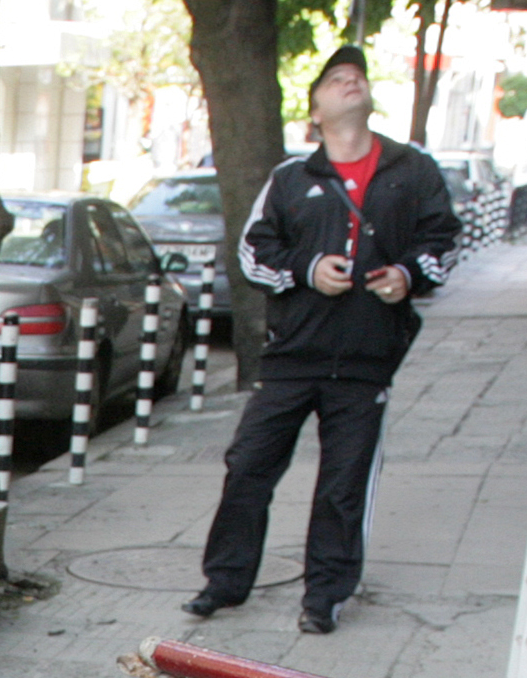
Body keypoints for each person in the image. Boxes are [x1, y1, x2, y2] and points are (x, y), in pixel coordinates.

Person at [184, 46, 458, 635]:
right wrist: (310, 271)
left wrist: (406, 276)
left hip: (367, 359)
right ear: (315, 112)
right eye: (335, 79)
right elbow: (254, 253)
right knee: (248, 465)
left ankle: (324, 596)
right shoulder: (290, 179)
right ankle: (225, 582)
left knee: (344, 482)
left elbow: (444, 240)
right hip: (292, 355)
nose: (349, 80)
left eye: (356, 75)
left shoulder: (412, 171)